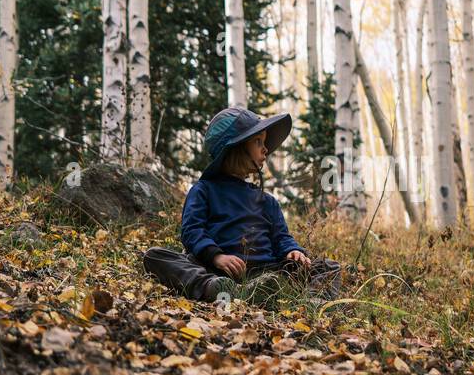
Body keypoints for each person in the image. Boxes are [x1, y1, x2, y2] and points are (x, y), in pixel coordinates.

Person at [142, 105, 341, 302]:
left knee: (329, 266)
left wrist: (293, 251)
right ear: (236, 147)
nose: (266, 148)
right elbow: (192, 231)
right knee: (155, 256)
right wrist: (217, 257)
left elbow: (281, 237)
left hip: (268, 272)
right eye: (258, 141)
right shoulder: (204, 190)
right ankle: (212, 287)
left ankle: (312, 301)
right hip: (220, 271)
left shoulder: (267, 201)